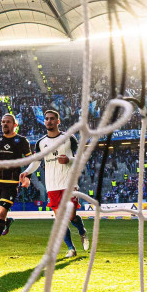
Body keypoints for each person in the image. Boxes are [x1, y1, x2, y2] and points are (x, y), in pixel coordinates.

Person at [35, 110, 88, 258]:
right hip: (52, 186)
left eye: (52, 118)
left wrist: (69, 160)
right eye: (46, 119)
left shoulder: (69, 138)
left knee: (70, 216)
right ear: (44, 122)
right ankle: (71, 249)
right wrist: (25, 173)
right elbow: (36, 161)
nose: (49, 121)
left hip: (69, 184)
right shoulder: (41, 143)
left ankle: (82, 231)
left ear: (58, 121)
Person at [0, 113, 33, 258]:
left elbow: (31, 161)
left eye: (8, 122)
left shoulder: (22, 141)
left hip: (11, 183)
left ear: (15, 125)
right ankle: (7, 222)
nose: (4, 124)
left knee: (1, 213)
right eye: (3, 121)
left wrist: (27, 177)